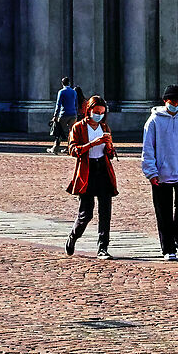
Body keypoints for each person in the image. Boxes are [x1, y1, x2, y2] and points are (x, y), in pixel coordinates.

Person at [140, 85, 178, 261]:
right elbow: (148, 149)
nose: (176, 103)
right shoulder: (153, 121)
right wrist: (151, 172)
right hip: (161, 174)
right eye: (172, 101)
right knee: (163, 211)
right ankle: (168, 247)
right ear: (165, 101)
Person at [65, 96, 118, 258]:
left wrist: (109, 145)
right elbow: (73, 150)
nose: (99, 115)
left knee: (105, 211)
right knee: (86, 213)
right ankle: (73, 236)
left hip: (103, 169)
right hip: (87, 171)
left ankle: (103, 247)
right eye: (96, 112)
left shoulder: (104, 127)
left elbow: (109, 154)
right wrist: (92, 143)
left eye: (102, 112)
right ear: (88, 111)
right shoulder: (78, 128)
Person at [49, 77, 80, 154]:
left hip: (64, 114)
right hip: (73, 114)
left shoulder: (61, 92)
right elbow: (76, 104)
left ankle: (55, 148)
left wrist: (55, 115)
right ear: (69, 83)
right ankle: (70, 148)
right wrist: (76, 112)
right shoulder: (74, 92)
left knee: (59, 132)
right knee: (72, 132)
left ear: (62, 83)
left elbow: (58, 104)